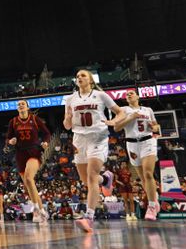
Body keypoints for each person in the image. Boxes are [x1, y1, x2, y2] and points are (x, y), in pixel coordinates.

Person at [63, 69, 124, 233]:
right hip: (79, 140)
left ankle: (89, 217)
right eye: (77, 76)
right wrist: (68, 118)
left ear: (90, 80)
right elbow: (67, 126)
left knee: (91, 176)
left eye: (83, 75)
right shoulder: (70, 99)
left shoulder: (100, 95)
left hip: (97, 137)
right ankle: (105, 179)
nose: (79, 77)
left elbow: (121, 112)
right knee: (86, 181)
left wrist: (113, 122)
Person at [113, 88, 160, 220]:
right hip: (132, 144)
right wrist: (131, 117)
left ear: (137, 96)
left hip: (147, 141)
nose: (128, 95)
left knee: (148, 173)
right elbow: (116, 128)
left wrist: (154, 128)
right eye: (126, 94)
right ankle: (154, 198)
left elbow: (156, 126)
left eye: (131, 93)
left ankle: (151, 206)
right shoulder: (123, 110)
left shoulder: (148, 110)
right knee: (143, 178)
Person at [5, 99, 50, 223]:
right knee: (29, 184)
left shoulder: (35, 120)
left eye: (22, 104)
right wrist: (10, 141)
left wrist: (46, 142)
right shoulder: (13, 122)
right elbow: (8, 137)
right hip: (20, 153)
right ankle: (42, 211)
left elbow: (47, 133)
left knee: (29, 179)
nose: (20, 105)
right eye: (18, 104)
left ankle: (35, 209)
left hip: (34, 151)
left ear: (27, 107)